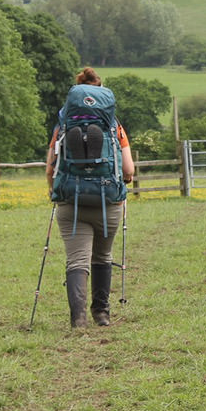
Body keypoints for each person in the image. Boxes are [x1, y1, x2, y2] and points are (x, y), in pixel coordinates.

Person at [46, 67, 134, 328]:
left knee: (77, 260)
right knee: (102, 256)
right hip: (108, 201)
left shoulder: (63, 124)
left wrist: (54, 192)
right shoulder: (114, 127)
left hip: (71, 201)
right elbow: (128, 170)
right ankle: (102, 313)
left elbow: (51, 166)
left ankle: (78, 318)